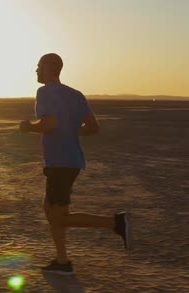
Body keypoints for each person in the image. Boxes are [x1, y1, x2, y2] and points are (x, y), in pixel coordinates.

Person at [19, 53, 132, 275]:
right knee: (50, 210)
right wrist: (70, 132)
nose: (36, 71)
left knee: (59, 216)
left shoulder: (45, 92)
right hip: (71, 160)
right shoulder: (76, 94)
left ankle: (115, 223)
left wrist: (28, 127)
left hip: (60, 162)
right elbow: (92, 128)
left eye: (39, 67)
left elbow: (49, 123)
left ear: (50, 68)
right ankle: (62, 261)